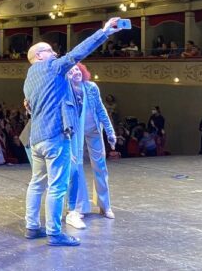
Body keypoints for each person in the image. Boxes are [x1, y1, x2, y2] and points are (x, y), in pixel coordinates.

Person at [23, 17, 124, 247]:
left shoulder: (29, 79)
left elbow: (31, 106)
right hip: (55, 136)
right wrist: (104, 32)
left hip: (36, 138)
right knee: (58, 186)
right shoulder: (51, 67)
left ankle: (32, 226)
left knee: (37, 183)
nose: (54, 53)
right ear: (39, 56)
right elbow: (77, 54)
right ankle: (54, 233)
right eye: (50, 51)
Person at [65, 63, 117, 231]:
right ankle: (79, 207)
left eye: (77, 69)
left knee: (100, 166)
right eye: (71, 70)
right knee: (77, 167)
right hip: (76, 131)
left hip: (94, 129)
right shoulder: (66, 91)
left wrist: (110, 132)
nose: (76, 72)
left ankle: (105, 205)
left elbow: (101, 110)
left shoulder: (91, 87)